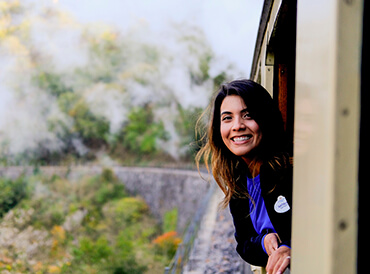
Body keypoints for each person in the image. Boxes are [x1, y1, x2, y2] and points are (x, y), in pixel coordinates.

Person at [196, 79, 292, 274]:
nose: (237, 126)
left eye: (248, 115)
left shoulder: (290, 171)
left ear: (265, 119)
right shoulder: (239, 179)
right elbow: (244, 245)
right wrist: (264, 242)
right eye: (227, 118)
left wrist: (291, 247)